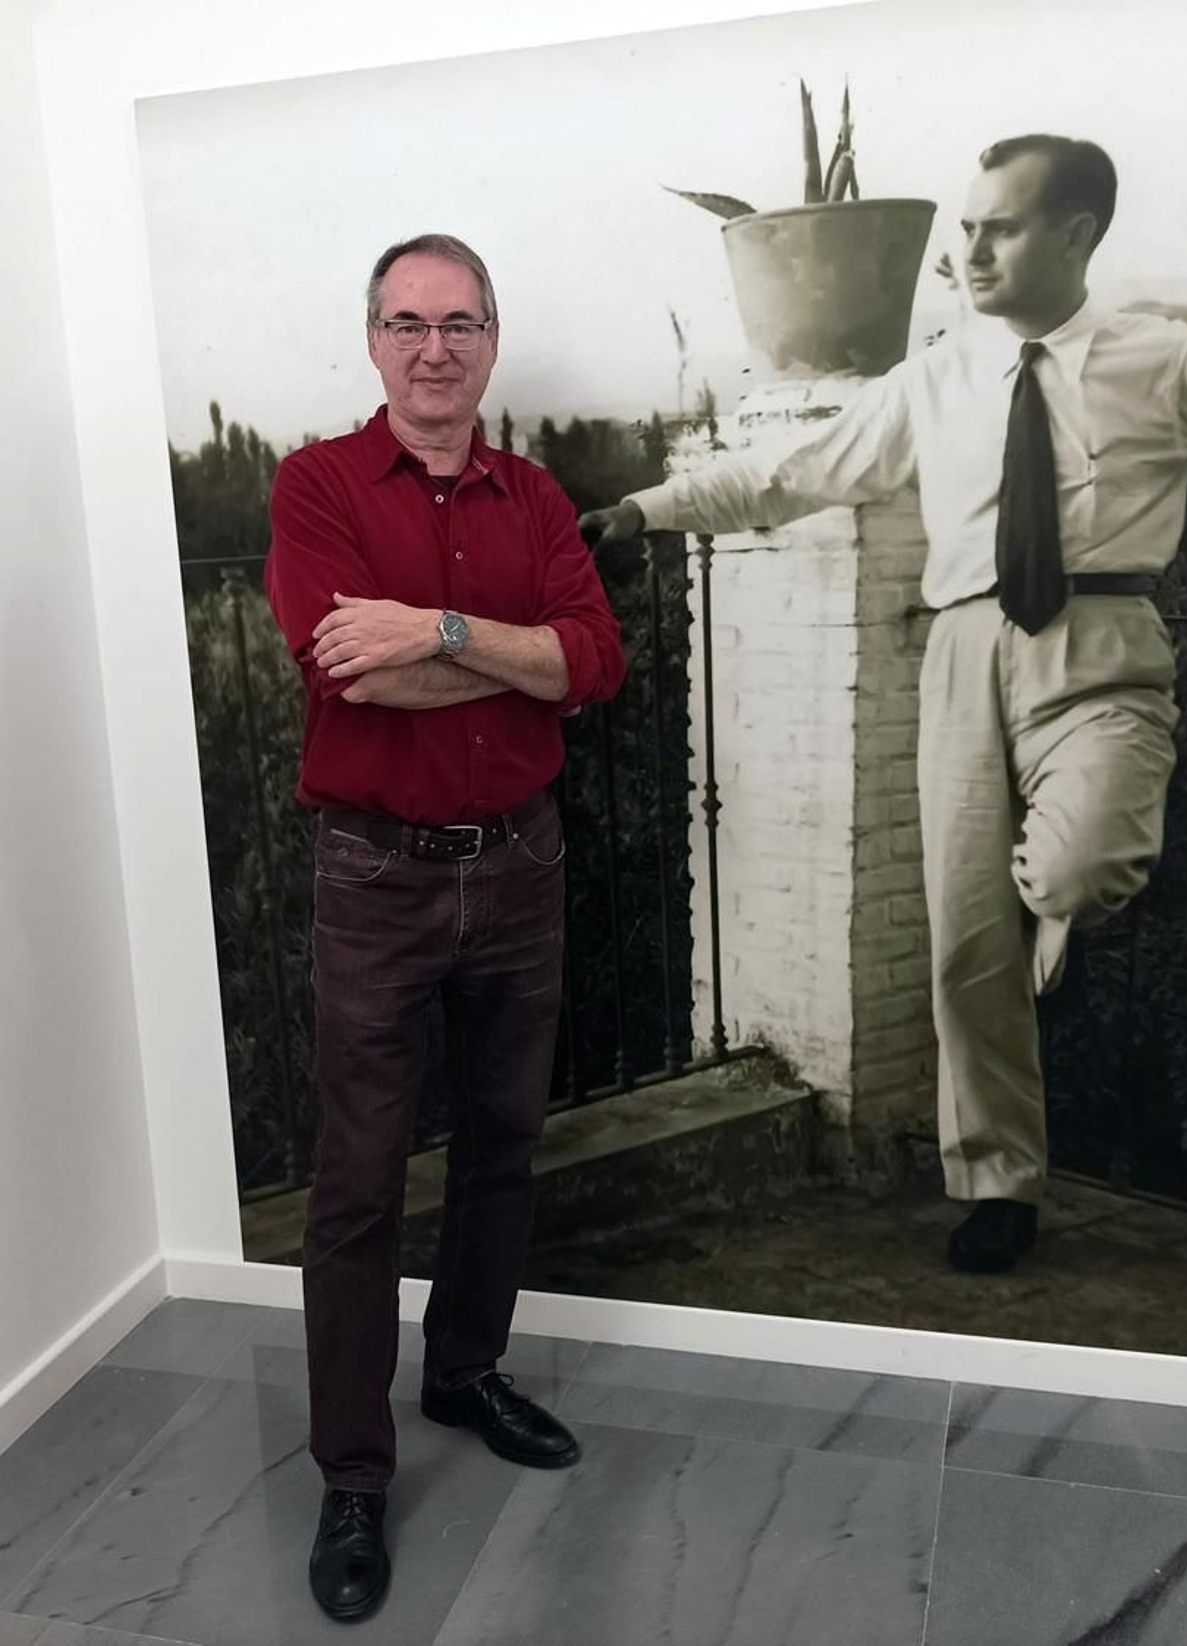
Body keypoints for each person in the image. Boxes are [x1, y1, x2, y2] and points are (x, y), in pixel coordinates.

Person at [580, 135, 1187, 1279]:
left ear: (1074, 234)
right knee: (963, 945)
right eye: (966, 226)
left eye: (998, 226)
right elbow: (796, 471)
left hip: (1099, 644)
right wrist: (646, 511)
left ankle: (1048, 891)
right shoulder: (939, 377)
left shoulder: (1164, 360)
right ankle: (999, 1181)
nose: (971, 247)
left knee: (1080, 868)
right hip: (956, 651)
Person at [265, 232, 625, 1623]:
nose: (435, 347)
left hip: (519, 868)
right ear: (372, 341)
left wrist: (443, 630)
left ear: (491, 338)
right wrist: (510, 660)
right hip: (379, 873)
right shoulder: (318, 486)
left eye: (460, 321)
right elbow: (345, 680)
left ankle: (465, 1370)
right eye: (407, 322)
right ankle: (356, 1476)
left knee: (502, 1145)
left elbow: (592, 662)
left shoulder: (535, 496)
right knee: (359, 1182)